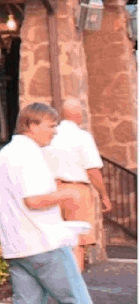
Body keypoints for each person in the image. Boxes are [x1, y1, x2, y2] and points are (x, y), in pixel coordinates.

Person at [0, 102, 93, 304]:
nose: (55, 132)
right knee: (78, 300)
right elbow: (33, 200)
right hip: (44, 244)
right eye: (51, 126)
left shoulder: (2, 156)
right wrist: (68, 193)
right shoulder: (29, 154)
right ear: (32, 126)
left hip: (16, 248)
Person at [43, 98, 112, 272]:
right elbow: (93, 170)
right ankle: (75, 287)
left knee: (54, 241)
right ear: (78, 114)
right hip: (77, 191)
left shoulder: (50, 135)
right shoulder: (83, 137)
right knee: (78, 242)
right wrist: (104, 195)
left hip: (51, 190)